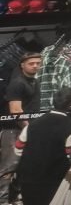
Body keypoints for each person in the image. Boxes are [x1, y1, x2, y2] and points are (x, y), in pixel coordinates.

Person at [14, 86, 71, 205]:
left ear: (53, 101)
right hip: (55, 184)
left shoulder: (32, 125)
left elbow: (18, 149)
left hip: (28, 182)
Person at [0, 52, 42, 204]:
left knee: (23, 166)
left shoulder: (35, 82)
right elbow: (15, 110)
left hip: (27, 129)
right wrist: (28, 129)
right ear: (22, 65)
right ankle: (2, 200)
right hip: (13, 130)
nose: (35, 66)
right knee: (9, 166)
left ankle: (15, 197)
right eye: (31, 63)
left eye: (38, 63)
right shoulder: (17, 83)